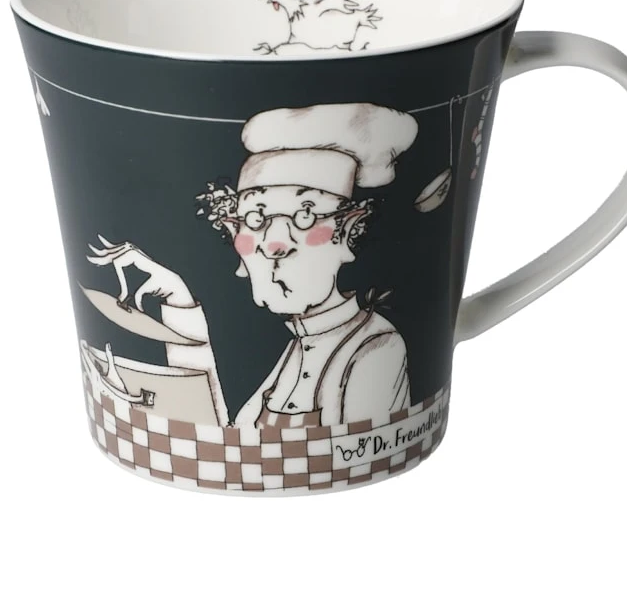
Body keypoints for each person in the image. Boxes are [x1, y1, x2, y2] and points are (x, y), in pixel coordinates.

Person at [87, 102, 417, 429]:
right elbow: (227, 443)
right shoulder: (299, 345)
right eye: (256, 219)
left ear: (346, 232)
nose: (275, 244)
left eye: (305, 216)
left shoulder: (375, 348)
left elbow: (346, 455)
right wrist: (179, 301)